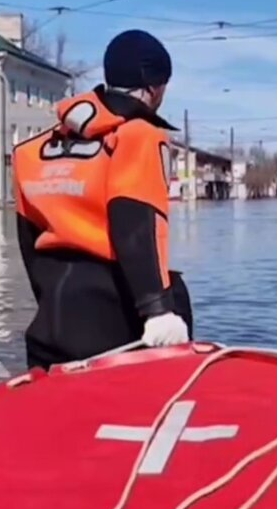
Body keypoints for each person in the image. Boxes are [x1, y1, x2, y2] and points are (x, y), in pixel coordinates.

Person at [13, 29, 193, 369]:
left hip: (51, 321)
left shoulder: (30, 152)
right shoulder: (139, 136)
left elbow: (28, 244)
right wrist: (158, 311)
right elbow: (136, 226)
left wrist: (51, 306)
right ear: (155, 87)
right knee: (176, 294)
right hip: (115, 326)